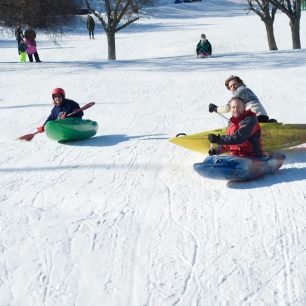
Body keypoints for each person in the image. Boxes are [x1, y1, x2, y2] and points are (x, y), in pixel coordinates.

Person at [208, 75, 276, 123]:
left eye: (235, 84)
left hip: (254, 118)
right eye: (231, 86)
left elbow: (227, 107)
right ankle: (269, 123)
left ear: (240, 83)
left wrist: (215, 108)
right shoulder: (246, 90)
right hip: (263, 116)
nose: (233, 87)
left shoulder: (240, 91)